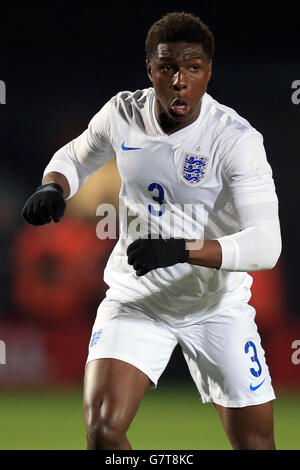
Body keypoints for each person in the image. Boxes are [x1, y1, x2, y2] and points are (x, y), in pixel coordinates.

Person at [21, 12, 282, 450]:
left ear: (208, 72)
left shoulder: (236, 140)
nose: (180, 81)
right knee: (104, 429)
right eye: (168, 68)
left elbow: (266, 245)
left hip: (216, 305)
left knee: (255, 444)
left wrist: (182, 250)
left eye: (193, 69)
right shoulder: (123, 113)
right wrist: (54, 184)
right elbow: (75, 155)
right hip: (137, 298)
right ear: (151, 71)